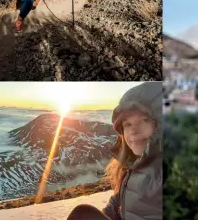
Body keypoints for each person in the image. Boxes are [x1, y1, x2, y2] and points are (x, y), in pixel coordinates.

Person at [66, 82, 163, 220]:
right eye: (127, 124)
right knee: (83, 214)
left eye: (144, 121)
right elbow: (118, 205)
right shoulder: (133, 167)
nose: (134, 131)